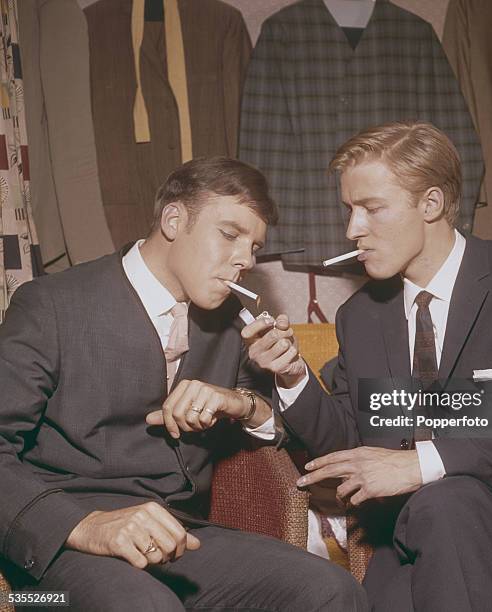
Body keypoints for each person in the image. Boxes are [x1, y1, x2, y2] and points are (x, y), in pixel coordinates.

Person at [243, 122, 492, 610]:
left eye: (372, 209)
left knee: (448, 499)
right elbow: (353, 439)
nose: (353, 229)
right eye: (349, 210)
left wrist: (422, 463)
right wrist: (293, 377)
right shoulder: (361, 316)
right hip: (417, 534)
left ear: (431, 205)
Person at [0, 157, 367, 611]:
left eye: (254, 246)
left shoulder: (231, 322)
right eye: (230, 235)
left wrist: (241, 401)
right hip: (60, 552)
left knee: (331, 590)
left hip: (182, 535)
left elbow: (287, 432)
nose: (245, 260)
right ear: (173, 220)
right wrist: (89, 526)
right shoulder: (51, 305)